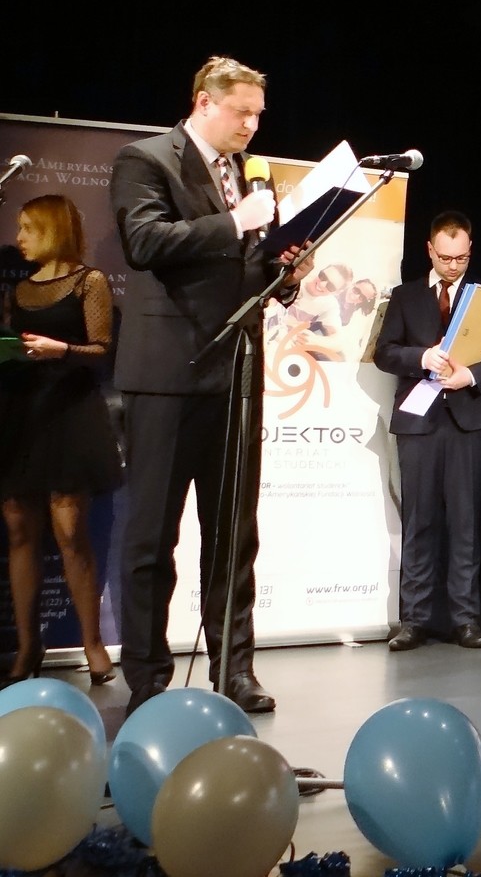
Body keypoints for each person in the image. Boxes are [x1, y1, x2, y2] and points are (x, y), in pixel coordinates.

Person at [110, 55, 312, 714]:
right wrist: (237, 222)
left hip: (237, 374)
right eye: (241, 112)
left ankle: (235, 669)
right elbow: (144, 241)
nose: (251, 125)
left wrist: (288, 271)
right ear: (203, 101)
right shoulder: (146, 160)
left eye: (259, 115)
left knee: (234, 535)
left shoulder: (249, 175)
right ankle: (149, 680)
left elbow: (251, 271)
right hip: (166, 375)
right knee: (152, 539)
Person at [375, 211, 481, 652]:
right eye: (445, 258)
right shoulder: (405, 297)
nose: (453, 265)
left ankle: (464, 618)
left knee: (465, 522)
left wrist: (473, 375)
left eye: (460, 258)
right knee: (418, 521)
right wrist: (420, 358)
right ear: (430, 250)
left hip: (470, 418)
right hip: (419, 419)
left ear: (470, 251)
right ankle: (414, 619)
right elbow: (385, 352)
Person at [0, 196, 120, 687]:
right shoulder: (21, 289)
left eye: (28, 228)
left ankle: (92, 643)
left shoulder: (89, 281)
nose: (19, 238)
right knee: (19, 529)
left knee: (70, 530)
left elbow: (102, 349)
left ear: (53, 230)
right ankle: (29, 645)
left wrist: (61, 349)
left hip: (71, 411)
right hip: (23, 411)